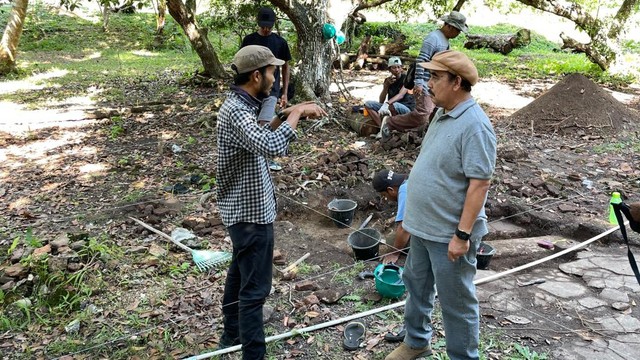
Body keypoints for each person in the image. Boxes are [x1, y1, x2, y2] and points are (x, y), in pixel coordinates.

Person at [385, 50, 496, 360]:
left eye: (435, 76)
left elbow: (480, 184)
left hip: (449, 233)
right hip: (422, 226)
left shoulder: (475, 125)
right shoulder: (443, 113)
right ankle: (417, 340)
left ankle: (463, 356)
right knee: (416, 286)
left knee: (456, 302)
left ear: (457, 82)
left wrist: (462, 235)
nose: (428, 82)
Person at [216, 45, 326, 359]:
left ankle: (230, 335)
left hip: (243, 211)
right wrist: (296, 113)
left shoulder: (241, 103)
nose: (276, 76)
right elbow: (271, 145)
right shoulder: (237, 111)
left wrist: (286, 113)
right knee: (255, 291)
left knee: (239, 275)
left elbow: (260, 134)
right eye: (272, 71)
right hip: (250, 215)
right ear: (256, 75)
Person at [379, 11, 468, 139]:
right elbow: (422, 60)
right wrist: (419, 82)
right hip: (426, 82)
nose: (458, 33)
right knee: (423, 114)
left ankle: (430, 137)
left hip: (437, 83)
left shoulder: (444, 40)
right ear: (449, 26)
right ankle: (390, 122)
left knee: (436, 112)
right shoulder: (433, 38)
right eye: (457, 30)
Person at [242, 7, 293, 171]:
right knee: (251, 124)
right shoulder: (249, 40)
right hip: (251, 91)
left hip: (271, 90)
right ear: (258, 23)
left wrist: (284, 92)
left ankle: (266, 160)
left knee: (265, 122)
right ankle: (252, 157)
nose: (266, 29)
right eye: (264, 26)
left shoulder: (280, 42)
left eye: (269, 26)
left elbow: (285, 68)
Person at [365, 57, 415, 136]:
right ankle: (382, 129)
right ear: (389, 69)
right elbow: (381, 100)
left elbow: (401, 95)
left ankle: (394, 129)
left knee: (394, 105)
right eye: (394, 67)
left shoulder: (406, 79)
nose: (397, 70)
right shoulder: (388, 80)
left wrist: (387, 103)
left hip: (406, 108)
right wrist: (386, 86)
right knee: (368, 104)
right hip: (391, 106)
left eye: (399, 67)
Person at [372, 169, 411, 264]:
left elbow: (404, 228)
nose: (385, 198)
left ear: (390, 190)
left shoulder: (404, 192)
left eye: (384, 195)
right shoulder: (408, 181)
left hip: (438, 234)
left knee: (391, 241)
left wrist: (395, 253)